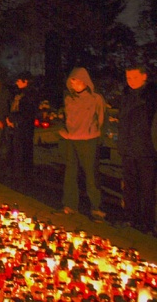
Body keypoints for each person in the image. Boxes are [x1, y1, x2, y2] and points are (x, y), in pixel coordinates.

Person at [55, 67, 107, 223]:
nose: (74, 85)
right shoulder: (68, 99)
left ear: (85, 81)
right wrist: (64, 131)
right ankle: (70, 205)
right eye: (72, 81)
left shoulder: (95, 98)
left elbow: (102, 118)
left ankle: (96, 208)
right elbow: (66, 118)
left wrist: (98, 135)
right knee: (70, 173)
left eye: (76, 81)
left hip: (89, 140)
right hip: (71, 140)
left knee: (91, 174)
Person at [117, 66, 157, 235]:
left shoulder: (151, 96)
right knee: (130, 187)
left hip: (146, 149)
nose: (130, 81)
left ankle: (148, 222)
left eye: (134, 77)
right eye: (128, 77)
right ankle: (130, 217)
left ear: (144, 76)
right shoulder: (126, 95)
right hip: (128, 149)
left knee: (148, 188)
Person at [5, 71, 38, 186]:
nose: (16, 82)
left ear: (26, 81)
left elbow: (27, 113)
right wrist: (9, 119)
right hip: (16, 127)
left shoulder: (30, 95)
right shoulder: (18, 93)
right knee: (16, 151)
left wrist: (14, 119)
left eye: (19, 80)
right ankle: (16, 175)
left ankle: (24, 177)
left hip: (24, 129)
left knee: (23, 152)